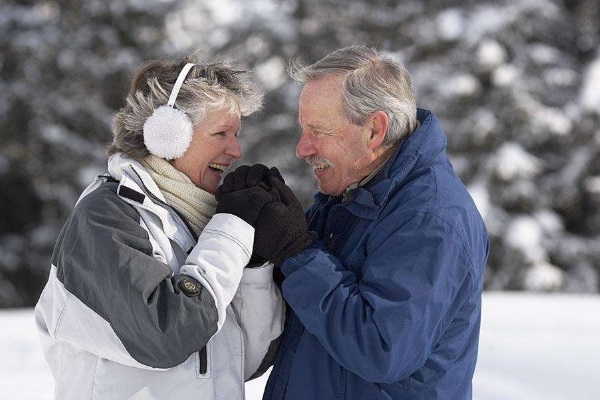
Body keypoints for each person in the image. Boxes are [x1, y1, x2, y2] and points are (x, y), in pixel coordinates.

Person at [223, 45, 489, 399]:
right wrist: (262, 240)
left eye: (318, 130)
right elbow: (308, 311)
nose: (302, 149)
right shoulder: (351, 194)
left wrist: (297, 252)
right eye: (303, 130)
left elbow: (381, 348)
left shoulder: (431, 218)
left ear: (375, 130)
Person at [34, 55, 285, 400]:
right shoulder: (106, 216)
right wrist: (233, 227)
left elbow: (244, 361)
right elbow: (167, 335)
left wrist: (257, 262)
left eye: (237, 134)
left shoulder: (201, 222)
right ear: (168, 133)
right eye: (221, 133)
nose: (236, 150)